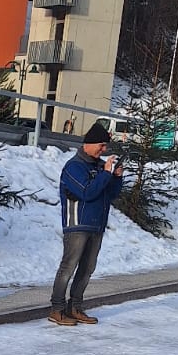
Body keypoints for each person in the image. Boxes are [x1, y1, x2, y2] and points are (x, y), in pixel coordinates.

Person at [48, 119, 125, 327]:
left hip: (96, 224)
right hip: (77, 224)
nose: (104, 149)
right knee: (69, 266)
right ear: (89, 143)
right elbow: (87, 192)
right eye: (101, 145)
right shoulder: (74, 167)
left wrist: (116, 177)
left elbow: (109, 195)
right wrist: (106, 174)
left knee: (87, 268)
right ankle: (57, 309)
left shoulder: (101, 167)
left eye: (105, 146)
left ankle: (75, 307)